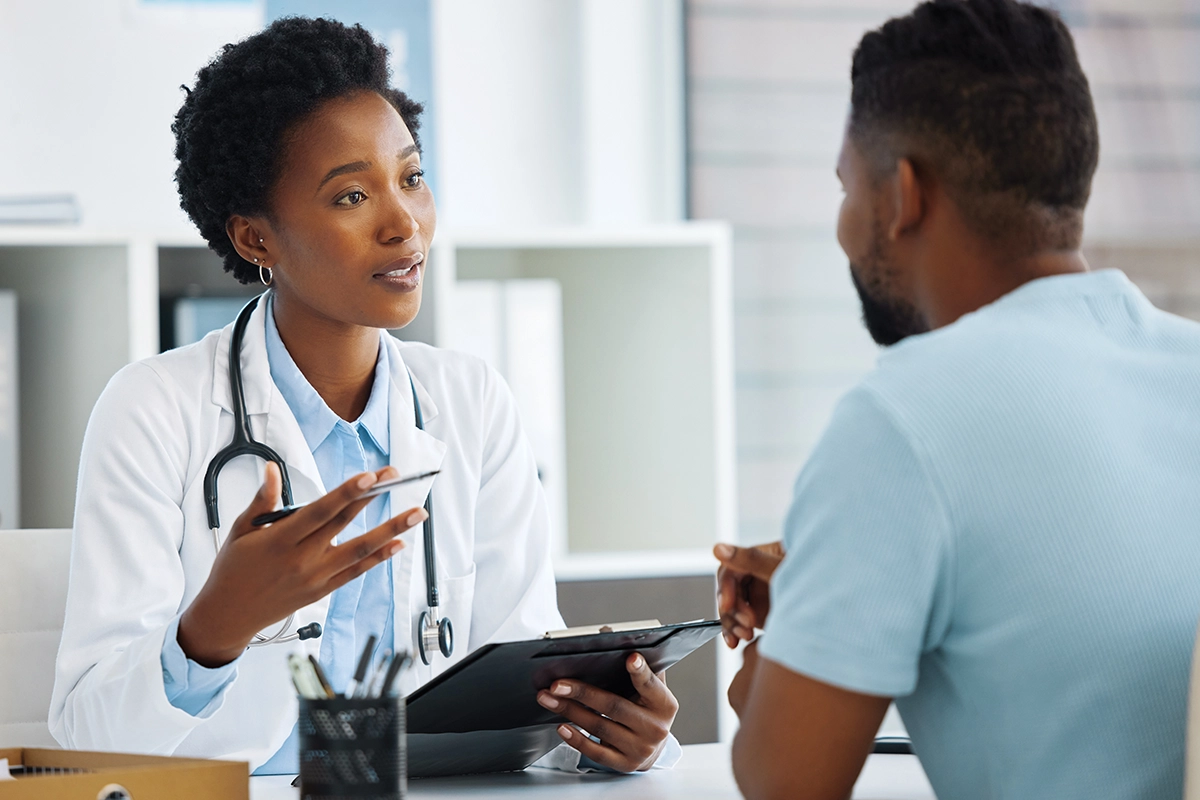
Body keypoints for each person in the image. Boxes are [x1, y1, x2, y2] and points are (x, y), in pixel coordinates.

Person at [49, 17, 678, 775]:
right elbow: (85, 746)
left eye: (411, 178)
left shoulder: (471, 400)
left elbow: (529, 694)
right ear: (255, 239)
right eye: (351, 196)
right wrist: (213, 630)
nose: (402, 222)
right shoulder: (153, 410)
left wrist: (615, 738)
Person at [713, 1, 1200, 798]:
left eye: (846, 188)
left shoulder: (900, 423)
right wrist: (834, 584)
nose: (841, 226)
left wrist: (786, 638)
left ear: (902, 196)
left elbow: (784, 785)